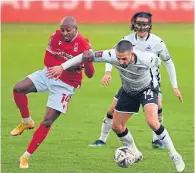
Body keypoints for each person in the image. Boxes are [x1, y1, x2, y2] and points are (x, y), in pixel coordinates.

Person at [46, 40, 185, 173]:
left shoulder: (147, 58)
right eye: (119, 59)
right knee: (117, 126)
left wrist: (157, 89)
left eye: (124, 59)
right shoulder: (111, 55)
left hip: (147, 88)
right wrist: (62, 67)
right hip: (128, 90)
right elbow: (85, 56)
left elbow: (159, 65)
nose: (121, 62)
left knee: (152, 122)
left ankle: (175, 155)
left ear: (132, 53)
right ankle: (135, 153)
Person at [89, 12, 183, 148]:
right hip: (129, 82)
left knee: (157, 109)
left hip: (151, 82)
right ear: (134, 24)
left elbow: (168, 62)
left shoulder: (158, 42)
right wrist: (107, 72)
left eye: (144, 24)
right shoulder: (126, 40)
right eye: (138, 24)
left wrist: (174, 86)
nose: (141, 27)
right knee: (112, 110)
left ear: (149, 25)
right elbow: (111, 54)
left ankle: (156, 140)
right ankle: (102, 139)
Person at [11, 16, 94, 169]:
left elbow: (90, 74)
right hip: (49, 73)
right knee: (18, 89)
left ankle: (25, 156)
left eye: (68, 30)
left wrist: (88, 61)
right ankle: (27, 121)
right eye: (63, 30)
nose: (65, 33)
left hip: (66, 85)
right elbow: (47, 61)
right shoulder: (55, 36)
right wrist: (66, 66)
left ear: (76, 29)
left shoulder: (84, 44)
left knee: (48, 120)